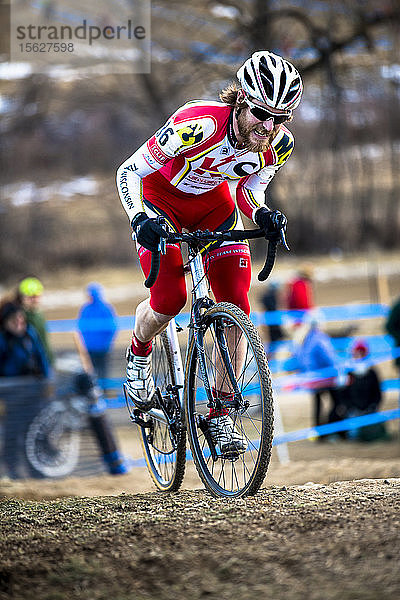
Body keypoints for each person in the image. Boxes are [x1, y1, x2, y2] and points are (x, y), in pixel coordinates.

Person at [116, 50, 303, 455]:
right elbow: (128, 172)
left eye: (280, 118)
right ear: (240, 101)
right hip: (160, 203)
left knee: (237, 305)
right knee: (170, 301)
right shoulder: (197, 125)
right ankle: (140, 352)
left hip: (215, 210)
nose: (268, 126)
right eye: (260, 113)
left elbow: (249, 189)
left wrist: (263, 213)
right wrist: (139, 221)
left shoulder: (278, 144)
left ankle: (220, 415)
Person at [0, 301, 50, 478]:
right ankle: (12, 469)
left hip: (33, 392)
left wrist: (47, 380)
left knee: (36, 432)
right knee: (12, 433)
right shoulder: (3, 340)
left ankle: (37, 469)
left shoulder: (30, 334)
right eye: (15, 319)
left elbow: (41, 357)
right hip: (11, 396)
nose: (19, 322)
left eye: (21, 318)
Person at [284, 311, 347, 435]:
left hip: (311, 379)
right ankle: (332, 429)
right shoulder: (320, 338)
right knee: (337, 402)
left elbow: (299, 360)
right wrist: (341, 371)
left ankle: (319, 432)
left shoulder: (304, 339)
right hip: (325, 377)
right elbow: (329, 358)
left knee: (318, 404)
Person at [344, 339, 387, 442]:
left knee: (373, 434)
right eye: (356, 353)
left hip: (369, 411)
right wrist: (351, 408)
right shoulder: (349, 373)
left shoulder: (372, 372)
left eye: (361, 353)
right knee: (354, 435)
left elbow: (378, 393)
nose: (359, 356)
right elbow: (343, 395)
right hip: (354, 411)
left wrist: (372, 406)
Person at [77, 283, 117, 386]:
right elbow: (81, 327)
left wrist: (107, 343)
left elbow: (112, 328)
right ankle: (94, 391)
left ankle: (104, 391)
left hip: (103, 349)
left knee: (103, 372)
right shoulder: (86, 309)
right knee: (90, 372)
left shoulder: (105, 308)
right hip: (90, 349)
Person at [14, 276, 54, 365]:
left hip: (44, 361)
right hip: (29, 365)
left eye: (36, 296)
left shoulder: (39, 314)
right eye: (30, 297)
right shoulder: (19, 317)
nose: (34, 300)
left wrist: (50, 360)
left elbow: (44, 342)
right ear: (22, 297)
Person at [260, 281, 284, 358]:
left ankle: (269, 358)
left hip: (271, 322)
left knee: (273, 342)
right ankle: (269, 359)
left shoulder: (266, 297)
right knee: (274, 342)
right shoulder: (271, 297)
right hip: (273, 323)